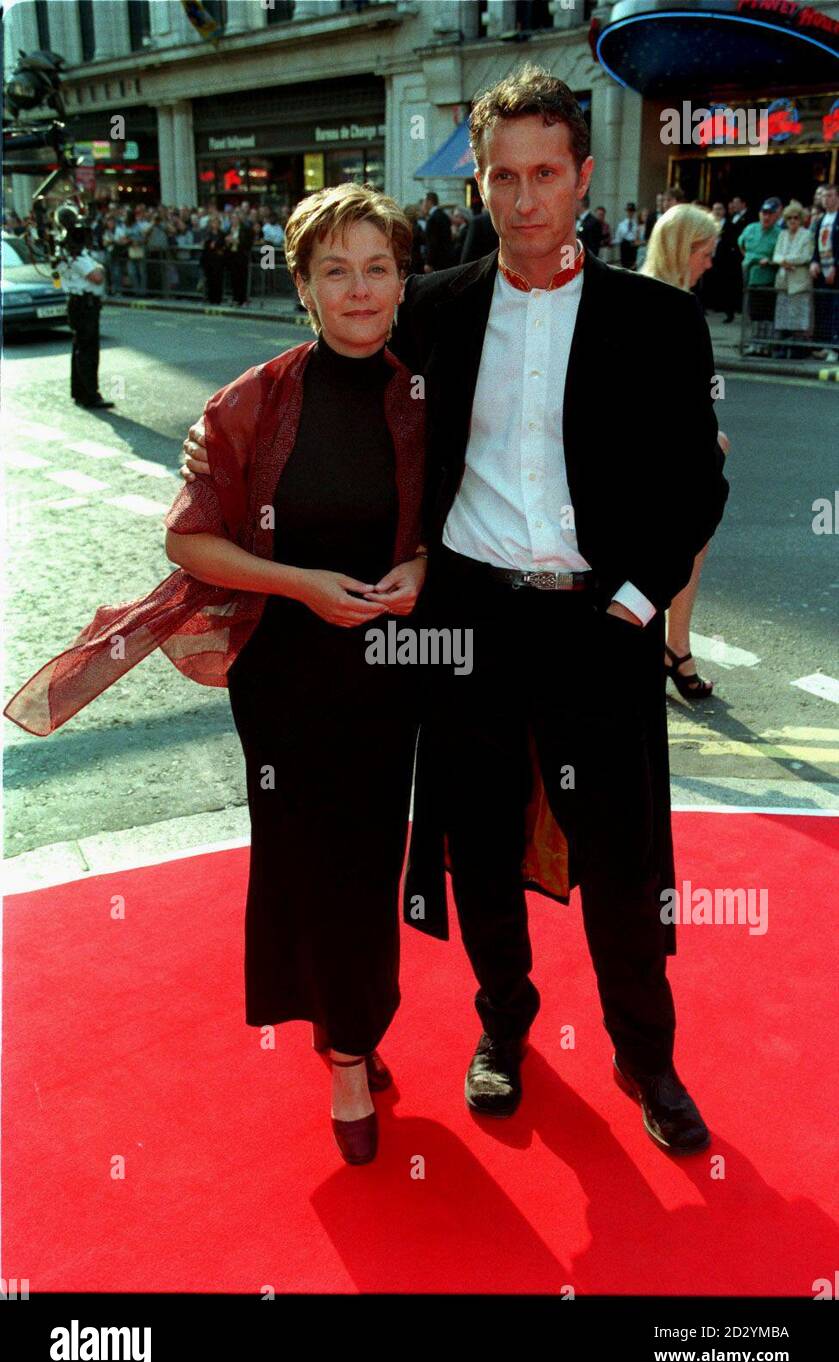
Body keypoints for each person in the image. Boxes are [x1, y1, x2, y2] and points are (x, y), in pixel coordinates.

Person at [180, 67, 730, 1158]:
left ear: (580, 178)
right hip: (471, 618)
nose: (525, 200)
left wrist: (633, 598)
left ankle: (644, 1053)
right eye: (502, 177)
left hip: (599, 624)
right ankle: (503, 1028)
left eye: (544, 174)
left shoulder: (659, 320)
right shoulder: (430, 312)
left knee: (618, 855)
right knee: (477, 844)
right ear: (477, 184)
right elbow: (337, 402)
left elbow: (694, 483)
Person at [3, 183, 426, 1170]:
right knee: (299, 854)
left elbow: (466, 523)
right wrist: (298, 584)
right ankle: (348, 1058)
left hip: (392, 667)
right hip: (281, 672)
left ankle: (351, 1020)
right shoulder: (250, 401)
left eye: (376, 268)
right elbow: (190, 540)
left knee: (368, 860)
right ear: (304, 287)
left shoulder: (424, 398)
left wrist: (424, 571)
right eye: (336, 271)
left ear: (402, 281)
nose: (358, 289)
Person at [641, 203, 731, 697]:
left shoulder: (629, 293)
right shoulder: (679, 308)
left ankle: (670, 644)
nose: (711, 262)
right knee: (692, 536)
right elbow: (694, 403)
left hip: (636, 458)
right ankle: (676, 646)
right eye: (706, 251)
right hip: (667, 464)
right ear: (684, 250)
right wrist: (711, 442)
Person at [54, 208, 114, 410]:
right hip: (84, 303)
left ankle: (79, 392)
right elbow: (96, 276)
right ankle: (90, 395)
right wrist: (100, 267)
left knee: (80, 348)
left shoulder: (64, 248)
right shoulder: (74, 253)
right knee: (87, 350)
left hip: (78, 303)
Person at [772, 200, 815, 358]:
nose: (792, 221)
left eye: (796, 218)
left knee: (799, 316)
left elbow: (806, 256)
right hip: (783, 280)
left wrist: (786, 260)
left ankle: (798, 350)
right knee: (783, 316)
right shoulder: (782, 234)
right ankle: (782, 349)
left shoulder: (807, 234)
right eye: (789, 218)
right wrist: (783, 261)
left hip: (799, 281)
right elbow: (776, 254)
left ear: (801, 219)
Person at [739, 198, 781, 356]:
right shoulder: (751, 228)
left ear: (776, 215)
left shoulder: (778, 233)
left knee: (766, 314)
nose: (766, 217)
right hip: (750, 277)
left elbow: (779, 254)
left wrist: (768, 261)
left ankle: (765, 345)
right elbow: (741, 244)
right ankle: (755, 344)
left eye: (770, 214)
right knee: (753, 313)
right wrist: (751, 258)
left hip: (768, 278)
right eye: (764, 213)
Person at [809, 182, 839, 361]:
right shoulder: (820, 220)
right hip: (822, 272)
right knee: (823, 309)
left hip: (835, 272)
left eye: (830, 196)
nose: (826, 200)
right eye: (824, 196)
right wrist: (814, 262)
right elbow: (816, 246)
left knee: (836, 310)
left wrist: (835, 266)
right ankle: (823, 345)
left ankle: (835, 348)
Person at [717, 195, 753, 321]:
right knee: (729, 285)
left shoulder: (749, 218)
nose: (734, 205)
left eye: (737, 203)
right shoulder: (731, 218)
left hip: (741, 256)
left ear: (743, 204)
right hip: (729, 258)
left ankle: (742, 310)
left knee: (741, 284)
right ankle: (729, 312)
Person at [421, 190, 455, 271]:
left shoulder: (432, 219)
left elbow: (432, 242)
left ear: (429, 202)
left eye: (424, 202)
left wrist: (429, 262)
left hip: (437, 262)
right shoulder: (444, 216)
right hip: (447, 260)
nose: (423, 205)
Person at [200, 216, 227, 304]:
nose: (215, 224)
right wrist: (213, 245)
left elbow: (223, 245)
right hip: (209, 259)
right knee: (209, 280)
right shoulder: (208, 233)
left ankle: (218, 299)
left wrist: (215, 245)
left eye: (217, 223)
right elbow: (206, 245)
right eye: (213, 223)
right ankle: (210, 298)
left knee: (218, 280)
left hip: (219, 260)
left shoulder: (222, 234)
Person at [615, 201, 640, 269]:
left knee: (633, 267)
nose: (630, 213)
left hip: (633, 247)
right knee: (624, 267)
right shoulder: (621, 225)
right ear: (626, 211)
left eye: (632, 211)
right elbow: (618, 238)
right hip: (624, 246)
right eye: (629, 211)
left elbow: (638, 238)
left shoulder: (636, 225)